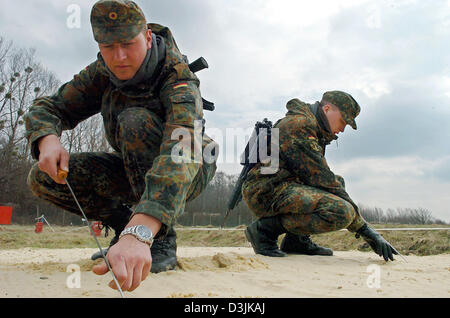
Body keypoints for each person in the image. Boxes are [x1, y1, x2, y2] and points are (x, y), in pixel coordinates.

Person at [24, 0, 217, 292]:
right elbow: (49, 107)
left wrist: (142, 231)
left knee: (134, 121)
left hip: (190, 169)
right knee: (42, 177)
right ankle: (124, 224)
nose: (120, 56)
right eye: (108, 47)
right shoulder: (102, 72)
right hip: (132, 168)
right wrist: (46, 138)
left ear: (148, 37)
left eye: (128, 43)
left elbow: (183, 150)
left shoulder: (177, 77)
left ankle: (159, 238)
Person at [242, 91, 398, 262]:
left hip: (281, 185)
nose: (343, 129)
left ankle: (297, 240)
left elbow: (324, 179)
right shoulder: (300, 126)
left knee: (339, 182)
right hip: (266, 191)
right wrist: (365, 230)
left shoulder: (313, 126)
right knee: (342, 212)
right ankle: (264, 231)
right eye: (342, 121)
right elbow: (322, 179)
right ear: (327, 109)